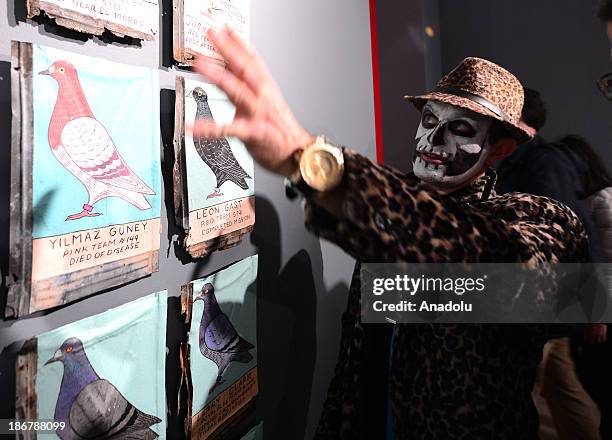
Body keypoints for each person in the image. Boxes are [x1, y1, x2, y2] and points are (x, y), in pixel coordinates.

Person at [191, 27, 588, 439]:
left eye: (461, 130)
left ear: (501, 149)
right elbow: (357, 359)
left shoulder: (541, 220)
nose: (433, 139)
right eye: (429, 121)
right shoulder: (392, 214)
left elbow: (477, 257)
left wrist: (312, 160)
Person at [496, 91, 602, 440]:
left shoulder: (543, 162)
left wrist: (595, 305)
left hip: (541, 304)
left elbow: (577, 230)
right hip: (539, 305)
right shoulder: (520, 161)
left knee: (517, 398)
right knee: (563, 393)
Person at [560, 134, 612, 440]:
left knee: (600, 385)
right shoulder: (603, 197)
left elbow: (603, 261)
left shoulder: (598, 201)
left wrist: (598, 313)